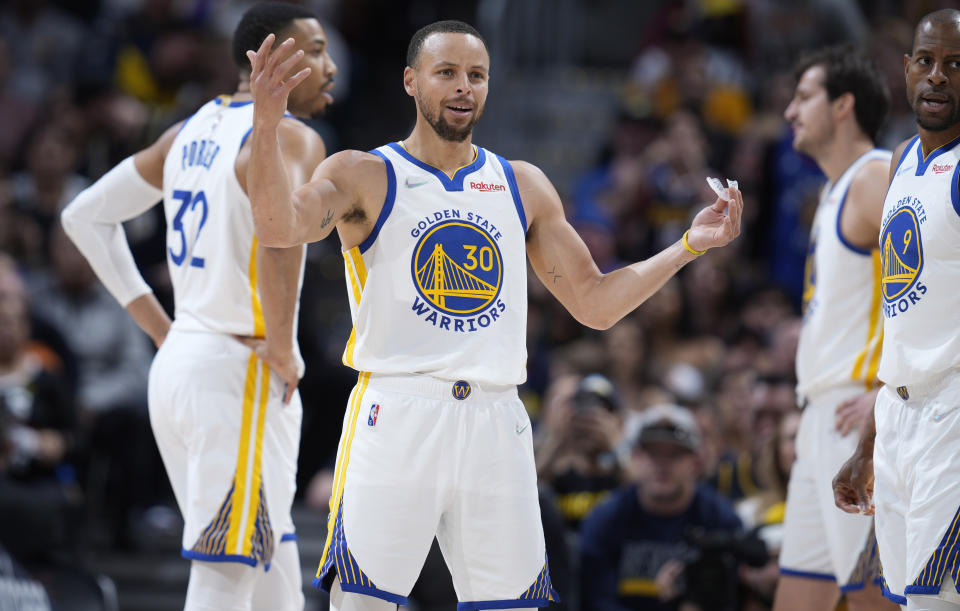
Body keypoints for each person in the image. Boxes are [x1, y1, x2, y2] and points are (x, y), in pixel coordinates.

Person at [244, 19, 742, 611]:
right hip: (400, 409)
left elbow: (597, 304)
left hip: (495, 417)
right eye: (447, 73)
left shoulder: (522, 184)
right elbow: (277, 226)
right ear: (410, 81)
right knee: (364, 605)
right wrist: (267, 124)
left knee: (512, 606)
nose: (463, 88)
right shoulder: (362, 173)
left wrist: (688, 246)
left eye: (476, 75)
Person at [59, 3, 338, 609]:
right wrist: (286, 345)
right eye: (314, 51)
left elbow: (84, 216)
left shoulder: (188, 131)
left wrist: (164, 330)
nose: (331, 66)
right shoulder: (290, 136)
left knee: (272, 565)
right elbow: (279, 236)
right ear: (269, 60)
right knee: (225, 574)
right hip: (239, 371)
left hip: (187, 365)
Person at [833, 8, 960, 611]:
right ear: (906, 68)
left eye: (957, 66)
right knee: (912, 604)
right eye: (928, 62)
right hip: (900, 412)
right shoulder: (901, 162)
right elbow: (900, 317)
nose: (939, 77)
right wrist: (866, 445)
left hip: (954, 410)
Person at [773, 46, 897, 611]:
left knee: (874, 597)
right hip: (821, 414)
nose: (789, 112)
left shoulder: (875, 178)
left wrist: (888, 391)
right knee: (799, 599)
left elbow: (945, 280)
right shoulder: (832, 190)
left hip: (858, 414)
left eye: (803, 97)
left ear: (844, 104)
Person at [579, 404, 745, 611]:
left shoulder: (721, 521)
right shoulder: (606, 518)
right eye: (652, 453)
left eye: (675, 454)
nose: (662, 464)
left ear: (696, 462)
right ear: (636, 458)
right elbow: (597, 601)